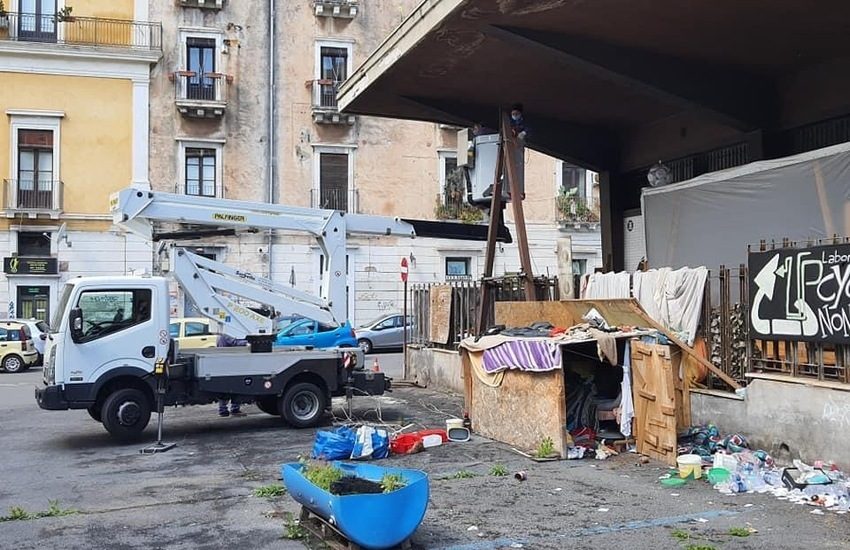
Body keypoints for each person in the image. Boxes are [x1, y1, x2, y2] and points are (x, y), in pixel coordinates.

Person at [216, 333, 248, 417]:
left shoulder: (221, 336)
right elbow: (235, 342)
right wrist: (248, 342)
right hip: (230, 365)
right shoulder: (227, 334)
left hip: (223, 365)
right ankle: (234, 409)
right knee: (237, 387)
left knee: (223, 390)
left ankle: (223, 410)